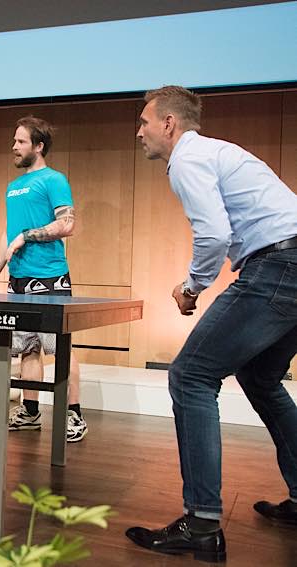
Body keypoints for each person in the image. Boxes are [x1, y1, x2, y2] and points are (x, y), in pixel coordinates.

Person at [126, 85, 297, 562]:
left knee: (191, 375)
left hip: (280, 266)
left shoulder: (186, 159)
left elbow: (216, 233)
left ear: (169, 124)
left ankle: (201, 523)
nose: (138, 131)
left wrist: (192, 287)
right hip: (292, 262)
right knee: (260, 377)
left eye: (143, 122)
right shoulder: (219, 152)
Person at [0, 116, 87, 443]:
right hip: (18, 280)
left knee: (60, 348)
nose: (14, 147)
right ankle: (30, 411)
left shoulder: (54, 180)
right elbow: (8, 234)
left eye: (21, 141)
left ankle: (74, 415)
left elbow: (67, 224)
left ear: (38, 146)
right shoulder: (13, 188)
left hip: (50, 278)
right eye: (14, 141)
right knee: (28, 350)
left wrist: (27, 236)